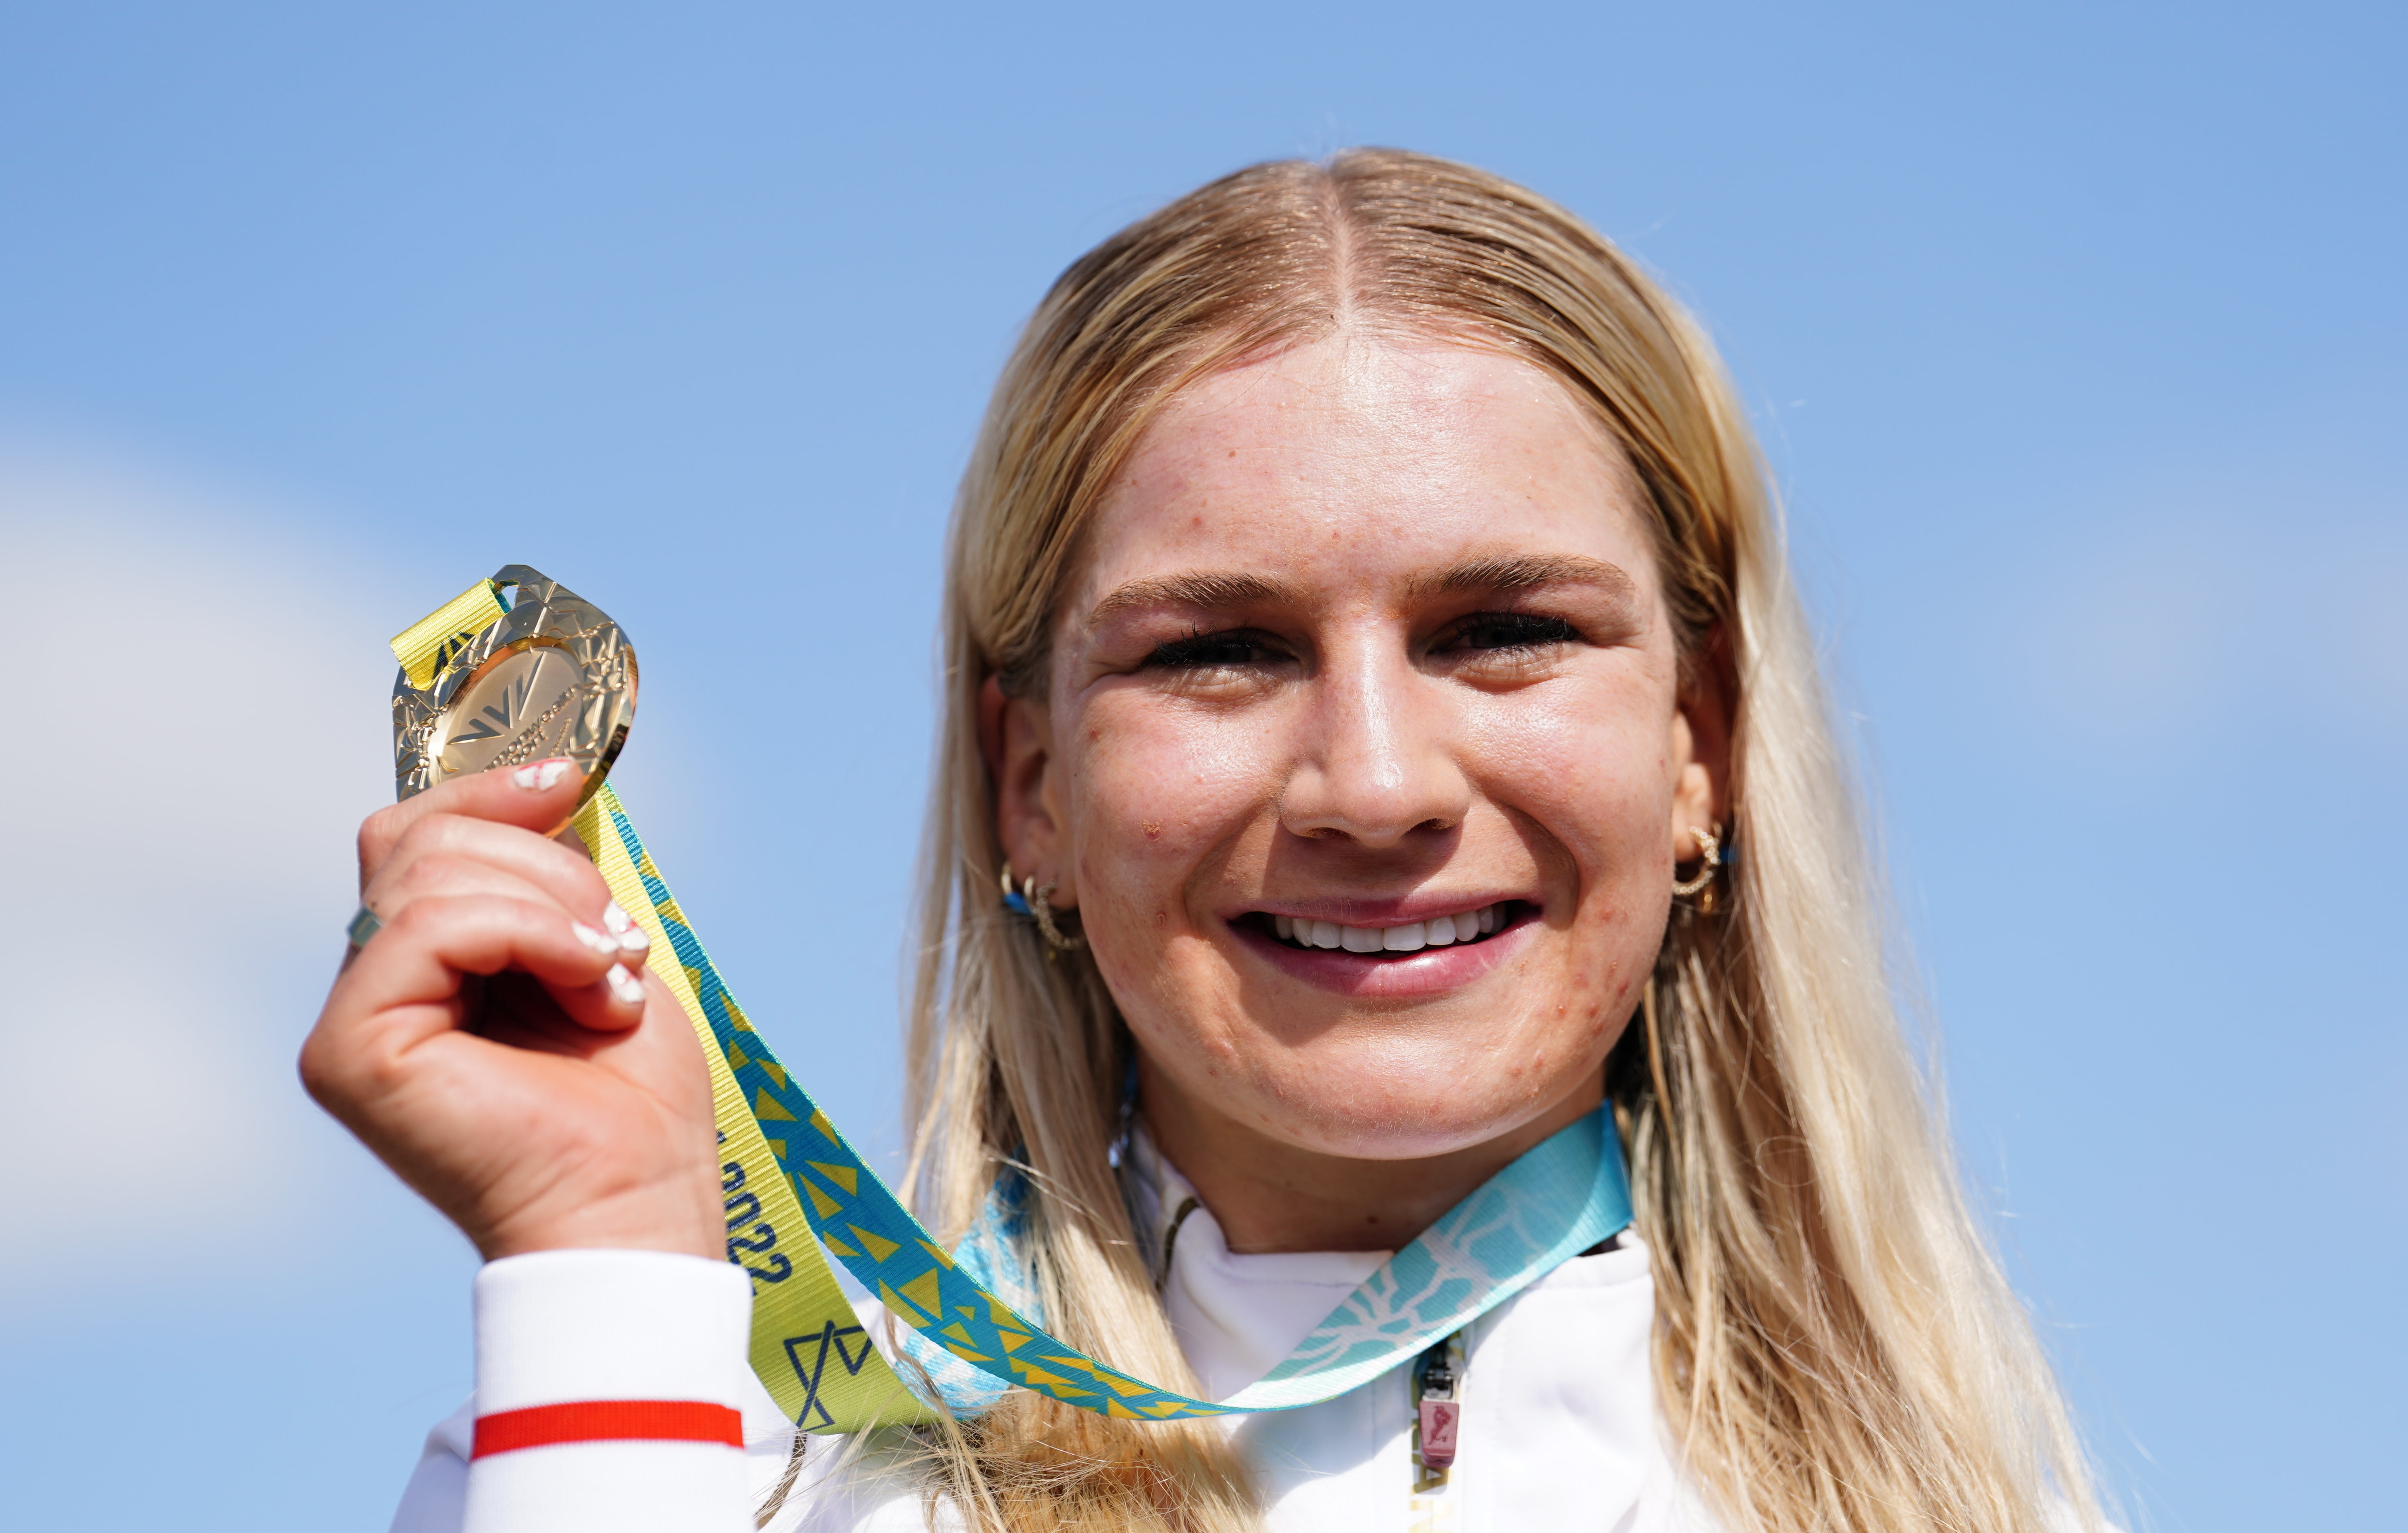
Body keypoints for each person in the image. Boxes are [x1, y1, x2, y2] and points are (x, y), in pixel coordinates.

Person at [305, 150, 2106, 1533]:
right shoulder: (678, 1458)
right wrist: (600, 1251)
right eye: (1219, 651)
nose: (1377, 780)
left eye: (1503, 632)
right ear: (1032, 790)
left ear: (1699, 745)